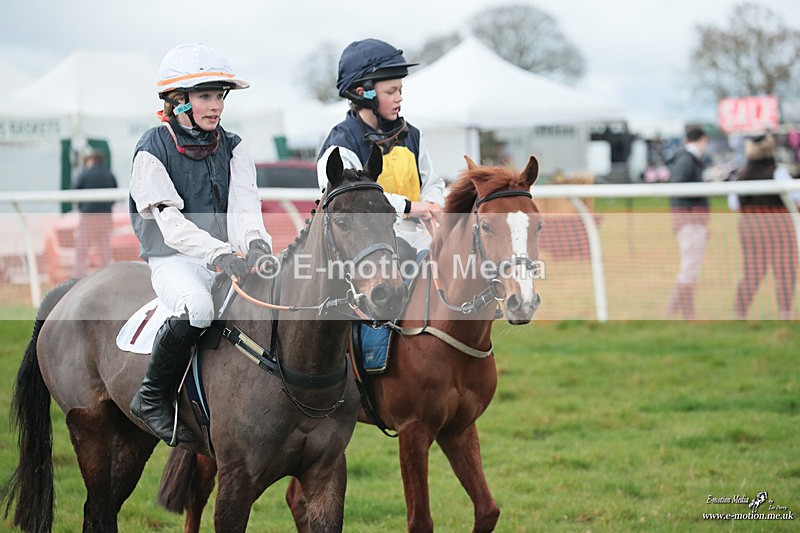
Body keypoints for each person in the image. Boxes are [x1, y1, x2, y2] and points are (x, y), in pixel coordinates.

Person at [128, 44, 273, 446]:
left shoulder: (235, 145)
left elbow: (245, 205)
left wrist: (257, 244)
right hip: (174, 258)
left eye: (218, 96)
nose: (215, 106)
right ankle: (151, 397)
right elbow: (171, 226)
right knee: (200, 308)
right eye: (205, 96)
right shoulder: (152, 149)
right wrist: (219, 253)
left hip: (225, 256)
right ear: (178, 102)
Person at [316, 38, 445, 261]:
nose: (399, 97)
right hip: (370, 244)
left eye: (400, 89)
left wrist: (431, 205)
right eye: (391, 91)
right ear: (363, 92)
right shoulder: (341, 143)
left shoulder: (412, 134)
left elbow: (431, 181)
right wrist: (409, 207)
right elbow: (354, 200)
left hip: (420, 235)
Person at [728, 134, 798, 319]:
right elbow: (795, 198)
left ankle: (740, 312)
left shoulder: (740, 176)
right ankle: (785, 313)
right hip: (779, 230)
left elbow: (733, 204)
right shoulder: (778, 173)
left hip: (750, 231)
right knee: (784, 271)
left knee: (752, 272)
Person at [665, 126, 710, 319]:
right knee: (688, 270)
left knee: (691, 270)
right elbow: (677, 190)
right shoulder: (686, 161)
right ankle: (668, 316)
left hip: (692, 220)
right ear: (703, 139)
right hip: (690, 221)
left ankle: (688, 315)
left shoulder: (689, 160)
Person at [72, 148, 117, 277]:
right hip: (105, 218)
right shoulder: (109, 174)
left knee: (82, 251)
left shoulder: (85, 174)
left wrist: (82, 207)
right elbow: (114, 195)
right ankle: (106, 276)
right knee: (104, 251)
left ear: (91, 160)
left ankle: (79, 277)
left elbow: (74, 193)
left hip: (88, 218)